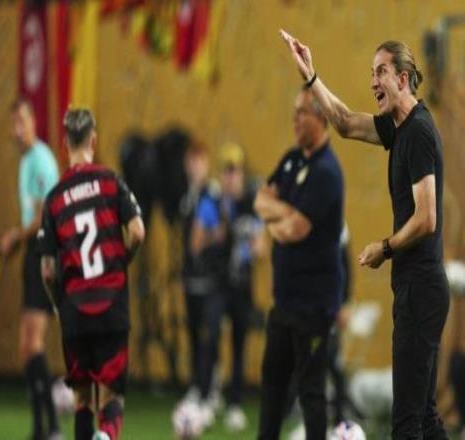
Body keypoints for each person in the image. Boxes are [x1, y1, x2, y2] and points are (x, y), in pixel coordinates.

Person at [281, 30, 450, 439]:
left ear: (403, 79)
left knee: (406, 422)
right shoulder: (400, 128)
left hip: (421, 289)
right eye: (372, 73)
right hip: (417, 288)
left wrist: (385, 248)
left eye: (381, 72)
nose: (373, 81)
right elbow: (343, 122)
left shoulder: (418, 132)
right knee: (425, 419)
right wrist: (311, 76)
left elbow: (427, 218)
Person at [38, 109, 145, 440]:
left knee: (82, 398)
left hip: (75, 311)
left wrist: (58, 304)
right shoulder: (111, 182)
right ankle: (107, 436)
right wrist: (122, 262)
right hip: (112, 306)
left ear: (64, 145)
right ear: (94, 141)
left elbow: (48, 271)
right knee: (112, 397)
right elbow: (138, 232)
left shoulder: (55, 199)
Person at [254, 87, 344, 440]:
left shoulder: (326, 172)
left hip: (314, 305)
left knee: (311, 391)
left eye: (302, 113)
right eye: (294, 112)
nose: (294, 120)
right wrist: (285, 213)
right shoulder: (292, 159)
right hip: (284, 301)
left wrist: (278, 219)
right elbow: (261, 200)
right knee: (272, 383)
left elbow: (296, 230)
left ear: (321, 118)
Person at [190, 142, 265, 430]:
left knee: (239, 342)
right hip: (217, 282)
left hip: (241, 283)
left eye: (235, 171)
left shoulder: (251, 203)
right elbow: (195, 244)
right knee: (210, 335)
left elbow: (262, 249)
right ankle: (207, 397)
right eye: (227, 171)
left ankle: (235, 403)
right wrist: (216, 235)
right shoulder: (212, 202)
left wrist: (251, 245)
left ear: (242, 174)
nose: (231, 177)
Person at [0, 98, 61, 440]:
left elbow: (42, 218)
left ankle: (52, 428)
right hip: (31, 253)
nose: (16, 129)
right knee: (27, 347)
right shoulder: (25, 162)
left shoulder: (41, 161)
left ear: (34, 122)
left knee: (33, 343)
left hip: (44, 253)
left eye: (21, 121)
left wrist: (14, 236)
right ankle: (40, 428)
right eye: (13, 123)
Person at [179, 141, 211, 401]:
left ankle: (210, 385)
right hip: (191, 277)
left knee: (209, 334)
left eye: (199, 161)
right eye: (191, 161)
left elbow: (218, 234)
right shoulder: (186, 199)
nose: (194, 167)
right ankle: (196, 384)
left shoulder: (212, 195)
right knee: (192, 332)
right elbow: (184, 242)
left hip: (210, 279)